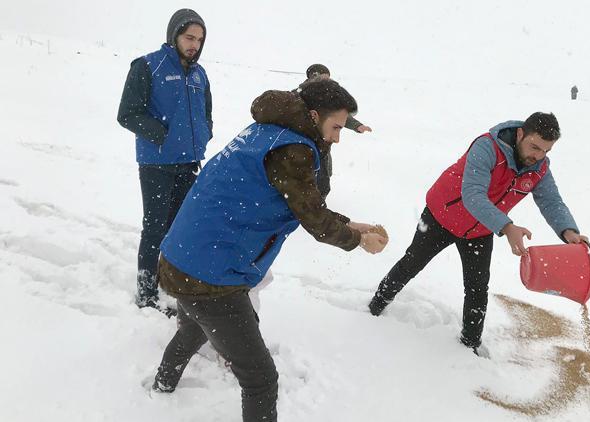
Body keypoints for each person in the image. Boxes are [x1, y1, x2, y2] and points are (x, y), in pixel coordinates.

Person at [152, 79, 388, 422]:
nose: (338, 137)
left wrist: (351, 225)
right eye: (336, 127)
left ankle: (160, 388)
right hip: (211, 276)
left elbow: (303, 203)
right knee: (260, 379)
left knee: (192, 329)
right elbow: (314, 218)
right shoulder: (294, 150)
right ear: (312, 114)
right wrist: (356, 239)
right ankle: (161, 386)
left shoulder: (268, 130)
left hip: (181, 256)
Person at [368, 112, 588, 355]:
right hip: (442, 215)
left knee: (477, 287)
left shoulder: (538, 168)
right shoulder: (487, 148)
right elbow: (473, 195)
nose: (537, 155)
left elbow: (551, 201)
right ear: (520, 134)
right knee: (412, 263)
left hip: (480, 229)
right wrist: (507, 227)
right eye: (534, 146)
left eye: (545, 151)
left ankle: (470, 344)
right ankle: (376, 305)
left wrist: (569, 231)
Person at [117, 9, 212, 310]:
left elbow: (206, 113)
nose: (194, 44)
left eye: (199, 39)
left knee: (180, 230)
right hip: (157, 164)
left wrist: (205, 133)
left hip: (189, 163)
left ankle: (171, 284)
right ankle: (146, 294)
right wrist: (163, 135)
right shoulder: (148, 66)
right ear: (174, 35)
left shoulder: (200, 74)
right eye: (189, 37)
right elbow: (127, 113)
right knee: (155, 228)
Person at [293, 63, 373, 199]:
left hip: (323, 145)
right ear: (313, 77)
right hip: (304, 146)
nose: (327, 81)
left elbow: (337, 116)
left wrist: (357, 126)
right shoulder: (299, 95)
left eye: (328, 78)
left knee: (324, 180)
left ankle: (319, 203)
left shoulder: (328, 94)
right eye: (324, 78)